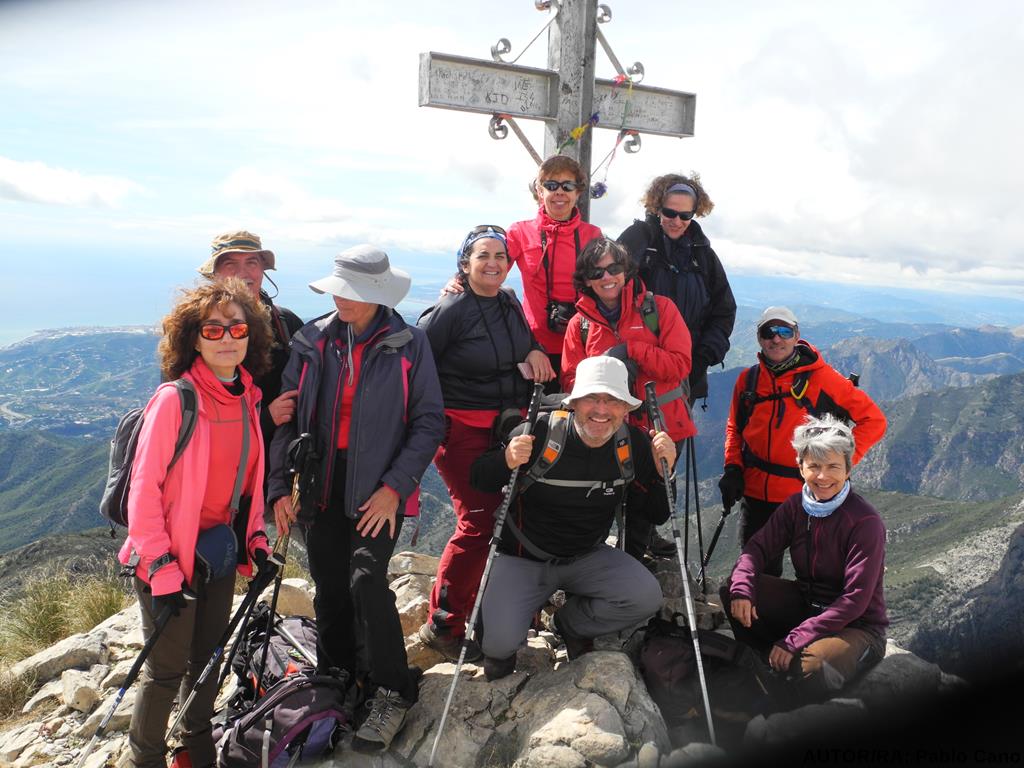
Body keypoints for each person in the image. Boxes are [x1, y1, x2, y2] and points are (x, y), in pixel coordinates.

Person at [267, 245, 445, 753]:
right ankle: (338, 677)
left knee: (367, 579)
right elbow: (289, 420)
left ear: (374, 296)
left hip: (378, 486)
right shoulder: (312, 340)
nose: (338, 299)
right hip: (320, 483)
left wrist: (395, 489)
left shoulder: (408, 344)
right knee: (328, 586)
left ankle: (393, 688)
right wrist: (281, 487)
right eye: (337, 290)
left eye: (350, 292)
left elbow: (429, 421)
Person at [120, 278, 277, 768]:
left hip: (217, 552)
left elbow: (244, 484)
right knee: (166, 670)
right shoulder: (176, 399)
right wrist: (162, 567)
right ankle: (143, 759)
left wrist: (254, 542)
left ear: (251, 335)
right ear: (193, 338)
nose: (227, 337)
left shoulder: (246, 396)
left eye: (237, 327)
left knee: (208, 663)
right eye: (213, 329)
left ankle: (195, 752)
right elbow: (142, 492)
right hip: (168, 558)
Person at [470, 356, 676, 680]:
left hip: (587, 556)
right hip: (525, 557)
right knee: (497, 648)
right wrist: (506, 458)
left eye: (613, 400)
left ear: (626, 409)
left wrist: (665, 472)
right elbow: (479, 479)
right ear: (574, 402)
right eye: (592, 398)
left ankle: (570, 623)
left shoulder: (632, 445)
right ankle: (521, 613)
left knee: (645, 597)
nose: (601, 410)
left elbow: (656, 513)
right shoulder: (540, 432)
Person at [415, 225, 556, 661]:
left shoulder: (508, 302)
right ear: (465, 263)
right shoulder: (449, 310)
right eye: (483, 256)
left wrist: (533, 349)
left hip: (506, 428)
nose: (493, 262)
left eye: (500, 255)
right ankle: (445, 623)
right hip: (460, 431)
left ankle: (492, 611)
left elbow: (520, 341)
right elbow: (416, 364)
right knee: (477, 521)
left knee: (509, 514)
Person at [721, 414, 888, 705]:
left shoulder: (864, 521)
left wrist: (795, 639)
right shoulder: (796, 507)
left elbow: (855, 601)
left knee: (814, 667)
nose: (823, 477)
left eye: (833, 466)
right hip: (807, 606)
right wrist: (742, 590)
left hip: (858, 626)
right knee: (732, 592)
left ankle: (778, 698)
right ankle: (764, 664)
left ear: (848, 468)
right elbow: (756, 550)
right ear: (801, 467)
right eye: (814, 466)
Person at [720, 306, 887, 576]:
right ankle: (763, 618)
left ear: (796, 335)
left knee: (812, 576)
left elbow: (874, 421)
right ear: (759, 338)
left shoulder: (823, 379)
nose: (777, 339)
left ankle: (811, 620)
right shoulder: (748, 380)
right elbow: (734, 428)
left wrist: (837, 466)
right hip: (755, 495)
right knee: (758, 573)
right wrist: (732, 468)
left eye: (784, 331)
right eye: (768, 332)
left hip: (808, 496)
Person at [560, 237, 694, 560]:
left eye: (614, 268)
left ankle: (633, 574)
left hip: (660, 428)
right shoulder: (580, 325)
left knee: (647, 509)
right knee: (600, 503)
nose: (607, 277)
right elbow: (571, 382)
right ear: (587, 279)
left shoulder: (659, 309)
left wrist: (633, 351)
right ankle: (594, 574)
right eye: (597, 272)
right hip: (607, 429)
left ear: (626, 271)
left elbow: (680, 364)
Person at [442, 155, 602, 381]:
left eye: (568, 186)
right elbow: (492, 268)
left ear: (578, 192)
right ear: (540, 191)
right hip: (534, 345)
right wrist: (459, 279)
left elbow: (608, 282)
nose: (559, 192)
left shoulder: (592, 235)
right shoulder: (520, 232)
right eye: (551, 185)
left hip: (583, 343)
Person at [198, 230, 304, 491]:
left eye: (252, 263)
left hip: (279, 473)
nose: (243, 273)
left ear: (263, 270)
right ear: (215, 274)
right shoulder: (196, 330)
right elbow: (189, 416)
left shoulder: (285, 323)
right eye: (230, 264)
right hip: (221, 479)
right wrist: (266, 418)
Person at [617, 173, 736, 405]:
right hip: (636, 368)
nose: (677, 221)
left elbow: (724, 309)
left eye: (685, 215)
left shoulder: (703, 255)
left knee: (671, 440)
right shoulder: (638, 241)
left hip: (685, 371)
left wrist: (702, 357)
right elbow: (608, 288)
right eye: (670, 213)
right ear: (657, 208)